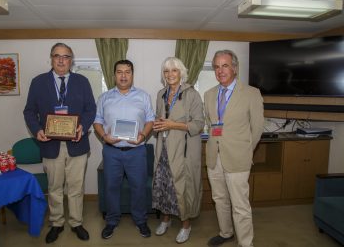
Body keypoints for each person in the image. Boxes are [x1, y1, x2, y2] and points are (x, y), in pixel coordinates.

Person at [23, 42, 96, 244]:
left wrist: (83, 125)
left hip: (77, 144)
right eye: (57, 56)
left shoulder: (82, 81)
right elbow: (29, 111)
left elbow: (91, 109)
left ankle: (76, 222)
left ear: (71, 60)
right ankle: (56, 223)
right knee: (54, 187)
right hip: (50, 144)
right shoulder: (38, 82)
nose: (61, 60)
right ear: (51, 59)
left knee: (75, 187)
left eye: (66, 56)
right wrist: (37, 130)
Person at [204, 50, 264, 247]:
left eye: (225, 65)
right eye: (216, 67)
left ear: (235, 68)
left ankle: (246, 243)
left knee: (240, 205)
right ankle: (226, 232)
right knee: (220, 199)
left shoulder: (251, 93)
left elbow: (257, 129)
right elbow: (211, 124)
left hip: (238, 157)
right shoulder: (209, 94)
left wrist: (246, 151)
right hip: (214, 156)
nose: (220, 71)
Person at [93, 59, 155, 239]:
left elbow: (150, 119)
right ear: (114, 75)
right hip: (112, 152)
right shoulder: (104, 97)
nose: (123, 75)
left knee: (139, 187)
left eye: (127, 72)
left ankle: (140, 220)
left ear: (132, 75)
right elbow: (97, 121)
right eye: (119, 72)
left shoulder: (143, 96)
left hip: (136, 151)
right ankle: (111, 221)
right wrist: (105, 137)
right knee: (111, 187)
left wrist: (142, 136)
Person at [152, 57, 204, 244]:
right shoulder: (161, 94)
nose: (170, 74)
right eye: (166, 71)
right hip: (163, 149)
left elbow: (198, 125)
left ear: (181, 72)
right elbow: (159, 118)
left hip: (182, 151)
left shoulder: (192, 94)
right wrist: (156, 125)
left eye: (174, 70)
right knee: (164, 186)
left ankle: (186, 225)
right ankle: (165, 220)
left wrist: (172, 124)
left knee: (182, 188)